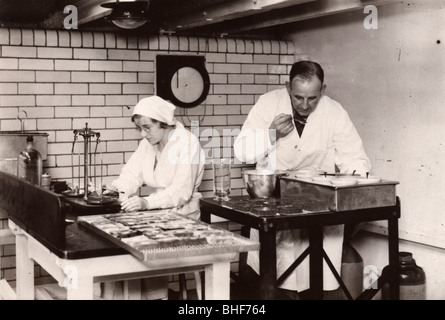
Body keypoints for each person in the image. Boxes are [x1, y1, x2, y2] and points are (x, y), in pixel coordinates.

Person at [234, 60, 371, 298]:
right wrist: (270, 134)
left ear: (323, 90)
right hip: (275, 203)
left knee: (316, 280)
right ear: (288, 87)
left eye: (313, 98)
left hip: (318, 206)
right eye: (298, 97)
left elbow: (354, 157)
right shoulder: (269, 103)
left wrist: (355, 182)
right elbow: (241, 151)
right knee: (276, 281)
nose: (305, 105)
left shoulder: (334, 111)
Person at [102, 95, 206, 299]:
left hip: (183, 217)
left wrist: (146, 202)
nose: (143, 134)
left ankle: (154, 296)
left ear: (164, 123)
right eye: (139, 128)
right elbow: (132, 174)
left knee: (139, 247)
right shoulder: (148, 143)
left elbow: (181, 192)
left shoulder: (187, 142)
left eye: (147, 127)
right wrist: (115, 189)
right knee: (121, 243)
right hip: (156, 212)